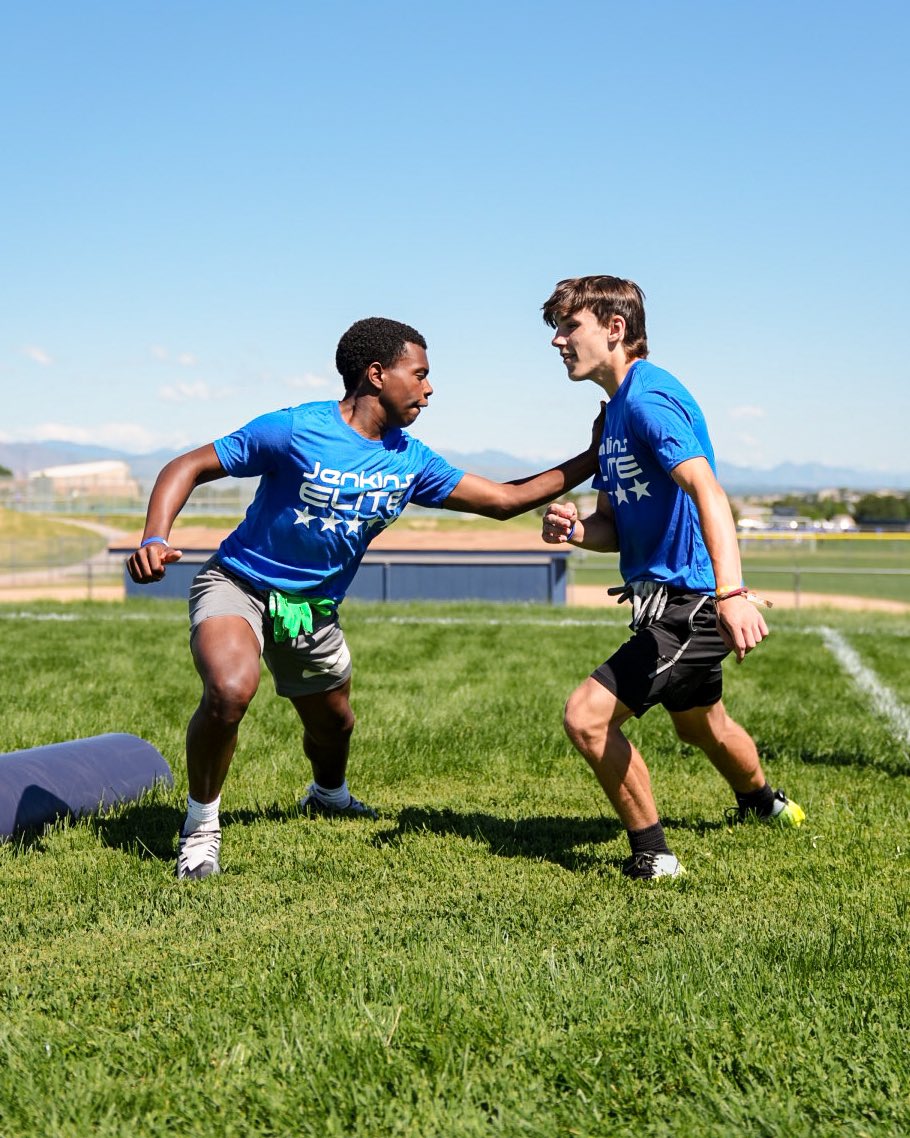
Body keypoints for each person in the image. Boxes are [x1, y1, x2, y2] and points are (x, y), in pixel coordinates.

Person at [128, 316, 602, 879]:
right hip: (240, 584)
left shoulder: (411, 460)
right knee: (230, 691)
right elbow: (188, 465)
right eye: (420, 375)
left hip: (314, 612)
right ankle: (201, 827)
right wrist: (155, 536)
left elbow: (503, 499)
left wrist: (592, 457)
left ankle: (328, 796)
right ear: (377, 374)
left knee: (335, 725)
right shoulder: (295, 430)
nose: (429, 389)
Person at [540, 275, 805, 881]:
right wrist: (576, 530)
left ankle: (654, 854)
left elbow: (708, 490)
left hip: (691, 603)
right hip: (660, 601)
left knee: (586, 716)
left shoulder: (650, 401)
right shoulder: (611, 417)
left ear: (615, 329)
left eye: (569, 326)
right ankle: (765, 803)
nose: (557, 340)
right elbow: (612, 527)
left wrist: (731, 594)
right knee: (702, 727)